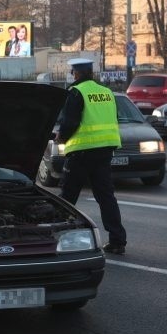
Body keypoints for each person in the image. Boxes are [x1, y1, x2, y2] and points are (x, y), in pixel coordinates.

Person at [55, 58, 127, 255]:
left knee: (67, 197)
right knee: (106, 197)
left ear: (76, 74)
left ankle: (57, 237)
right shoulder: (106, 92)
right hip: (105, 150)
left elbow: (70, 121)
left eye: (72, 72)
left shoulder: (76, 92)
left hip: (81, 150)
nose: (71, 75)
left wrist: (61, 137)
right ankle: (117, 240)